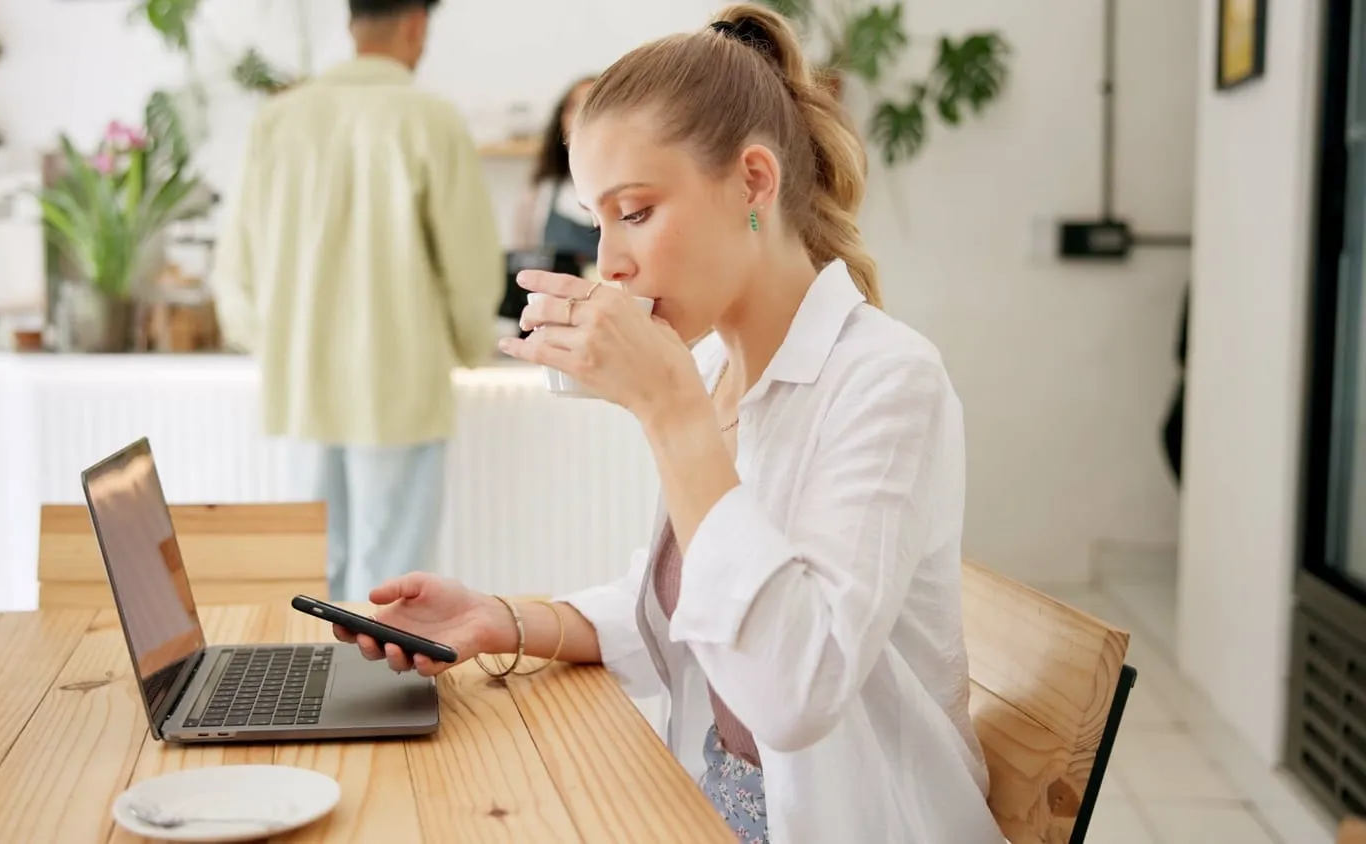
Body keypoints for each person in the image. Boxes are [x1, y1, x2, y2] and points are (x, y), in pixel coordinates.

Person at [332, 5, 1003, 843]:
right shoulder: (718, 368)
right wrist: (501, 619)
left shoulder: (887, 378)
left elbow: (795, 694)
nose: (609, 259)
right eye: (598, 218)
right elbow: (691, 610)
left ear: (755, 182)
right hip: (709, 804)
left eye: (636, 212)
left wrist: (669, 409)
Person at [212, 0, 503, 602]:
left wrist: (270, 345)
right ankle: (375, 694)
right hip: (400, 382)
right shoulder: (430, 119)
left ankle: (314, 696)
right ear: (416, 25)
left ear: (350, 25)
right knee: (391, 578)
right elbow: (470, 265)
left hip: (301, 387)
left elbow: (236, 264)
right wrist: (477, 347)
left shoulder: (280, 120)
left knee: (313, 571)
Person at [511, 76, 599, 261]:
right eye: (574, 107)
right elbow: (523, 263)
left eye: (594, 104)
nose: (581, 116)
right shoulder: (539, 194)